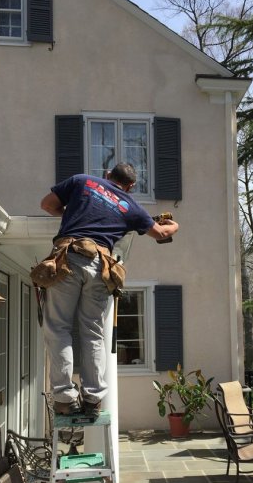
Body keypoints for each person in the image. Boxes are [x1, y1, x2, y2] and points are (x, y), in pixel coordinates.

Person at [40, 162, 179, 418]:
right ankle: (93, 398)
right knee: (92, 332)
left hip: (68, 258)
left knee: (58, 327)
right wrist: (175, 226)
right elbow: (161, 233)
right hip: (102, 266)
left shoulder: (82, 181)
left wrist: (73, 213)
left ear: (106, 175)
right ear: (131, 186)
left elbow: (47, 205)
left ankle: (64, 398)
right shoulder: (131, 207)